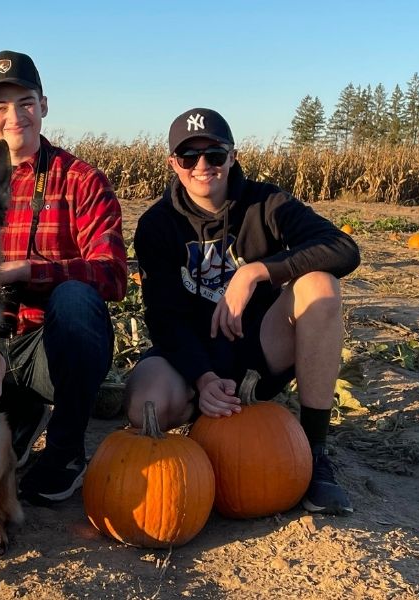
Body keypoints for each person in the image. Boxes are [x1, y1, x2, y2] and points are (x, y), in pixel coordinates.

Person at [125, 107, 360, 515]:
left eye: (214, 155)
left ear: (232, 156)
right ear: (172, 164)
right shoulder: (156, 226)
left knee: (320, 286)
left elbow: (344, 248)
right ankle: (210, 428)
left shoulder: (266, 204)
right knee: (145, 404)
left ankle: (314, 452)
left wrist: (257, 271)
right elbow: (164, 318)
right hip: (191, 359)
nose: (203, 166)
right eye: (189, 157)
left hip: (258, 349)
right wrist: (203, 376)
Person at [0, 50, 128, 505]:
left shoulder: (81, 180)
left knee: (74, 299)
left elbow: (113, 275)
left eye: (25, 103)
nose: (14, 117)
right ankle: (16, 416)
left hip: (45, 345)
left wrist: (28, 270)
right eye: (0, 106)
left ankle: (65, 449)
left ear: (43, 105)